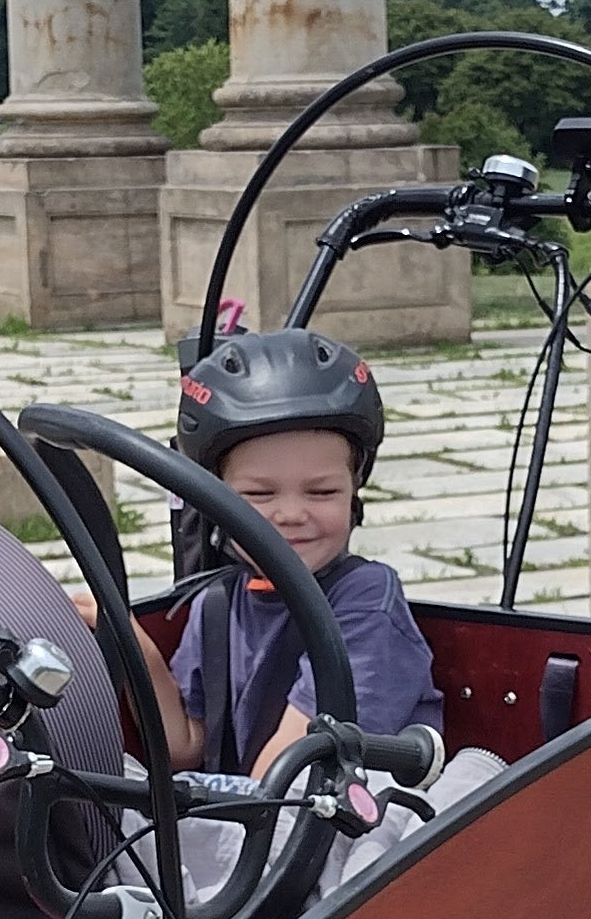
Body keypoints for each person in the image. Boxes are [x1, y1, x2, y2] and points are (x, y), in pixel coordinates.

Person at [93, 328, 443, 775]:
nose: (291, 514)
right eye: (259, 494)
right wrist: (131, 639)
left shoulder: (366, 600)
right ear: (214, 500)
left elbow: (288, 775)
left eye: (322, 492)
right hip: (256, 824)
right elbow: (185, 750)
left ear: (355, 494)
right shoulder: (215, 607)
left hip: (348, 824)